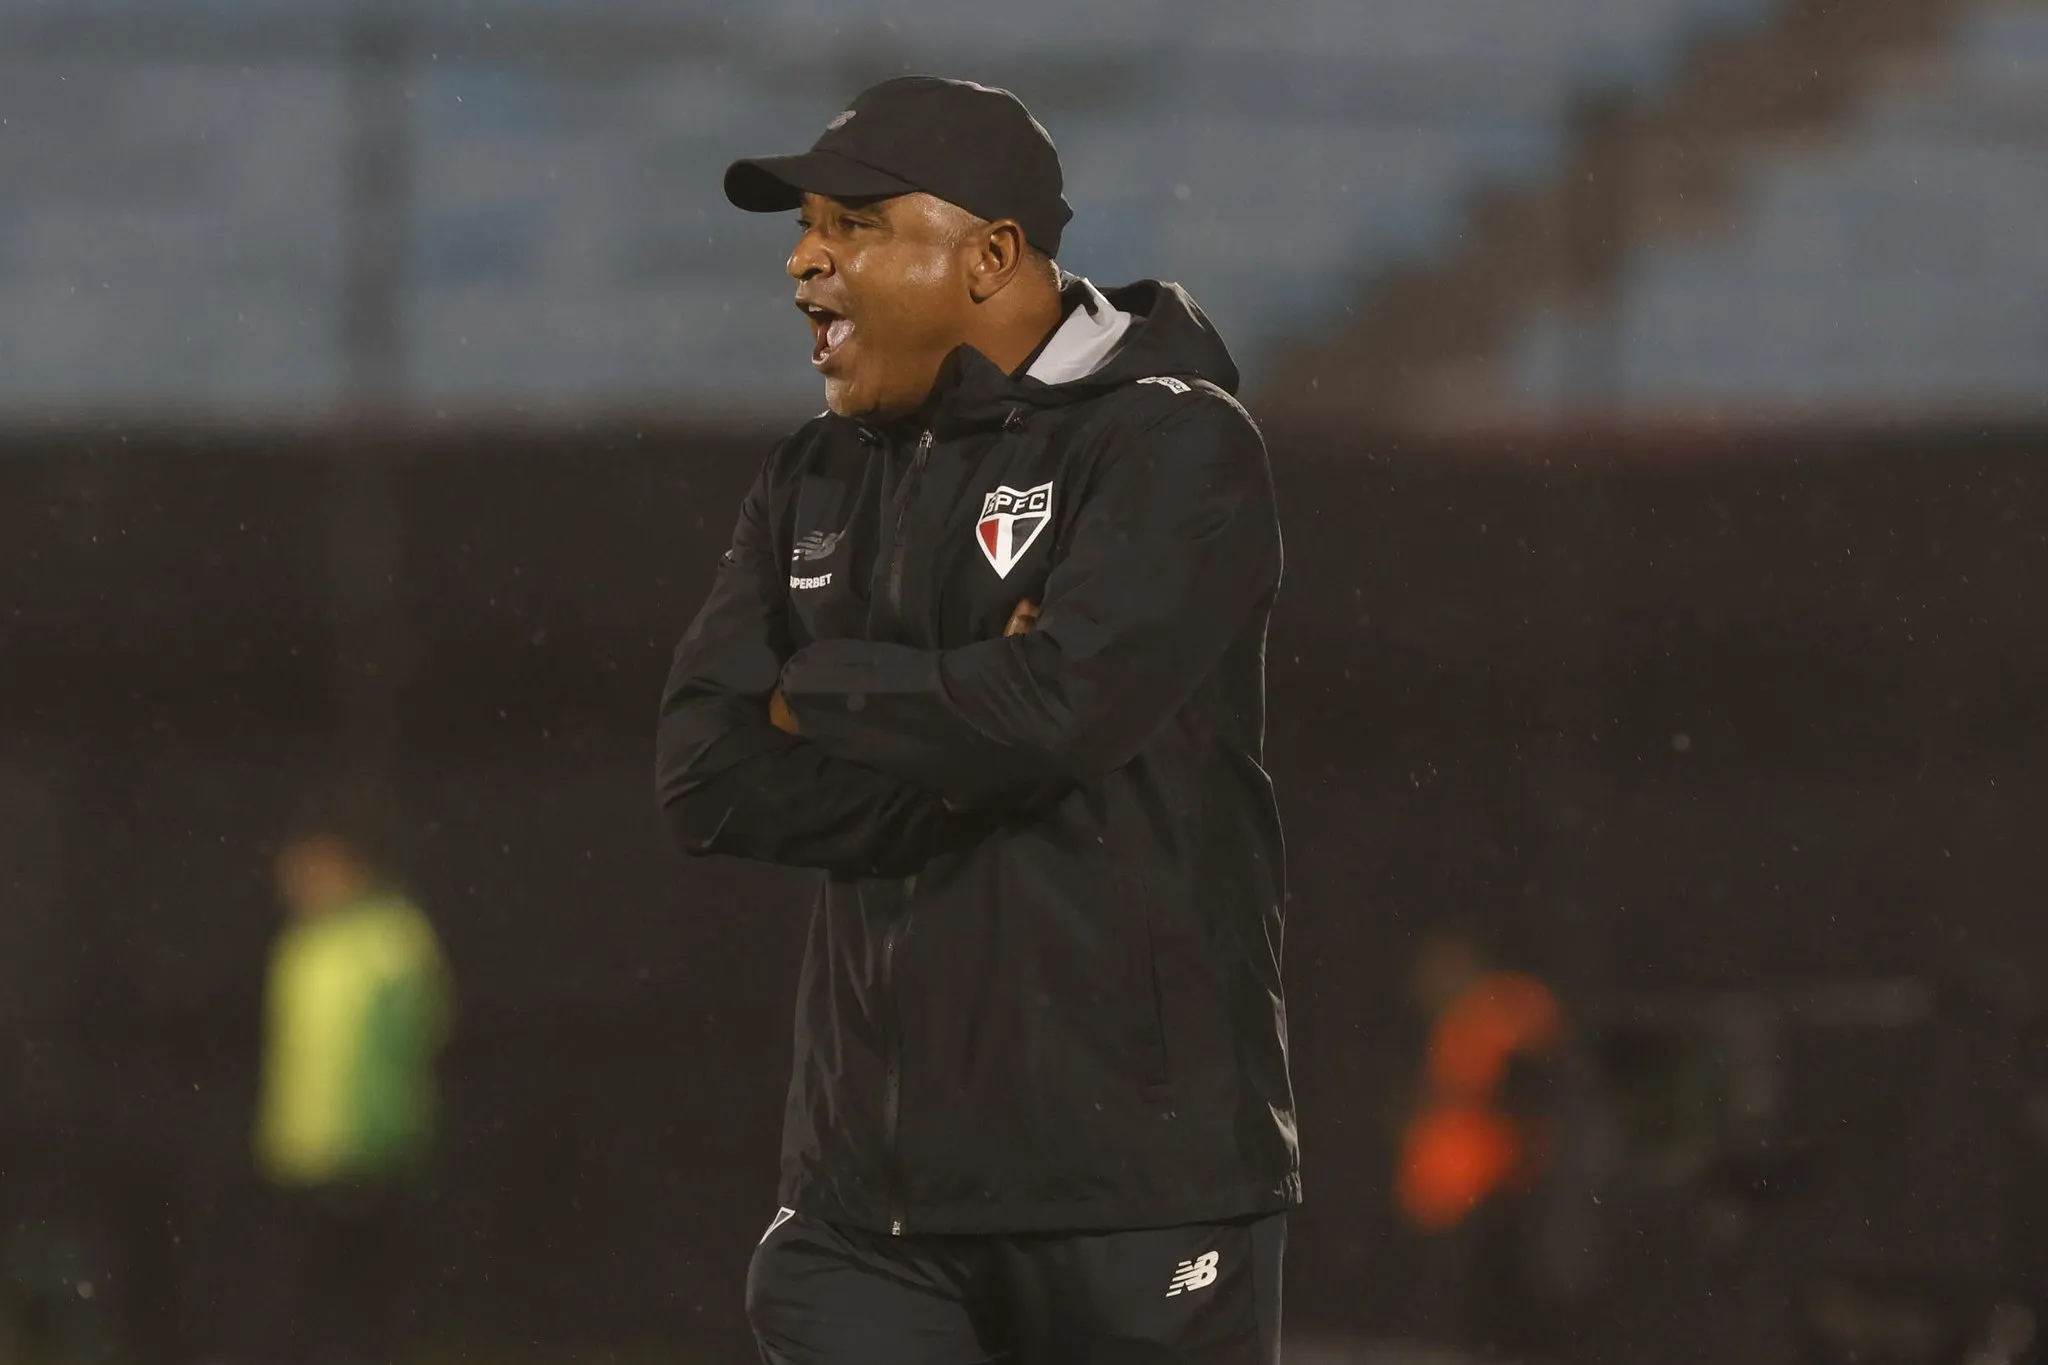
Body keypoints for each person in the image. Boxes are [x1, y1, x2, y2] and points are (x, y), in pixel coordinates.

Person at [654, 75, 1296, 1364]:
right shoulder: (812, 473)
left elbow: (1059, 708)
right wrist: (967, 737)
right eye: (805, 229)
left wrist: (818, 690)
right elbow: (707, 773)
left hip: (1134, 1198)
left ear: (991, 255)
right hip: (861, 1211)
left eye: (852, 224)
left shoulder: (1173, 446)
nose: (802, 261)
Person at [255, 820, 452, 1364]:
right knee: (307, 1298)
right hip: (302, 1150)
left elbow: (426, 1027)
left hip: (371, 1148)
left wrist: (390, 1127)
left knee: (367, 1295)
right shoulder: (300, 944)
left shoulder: (390, 936)